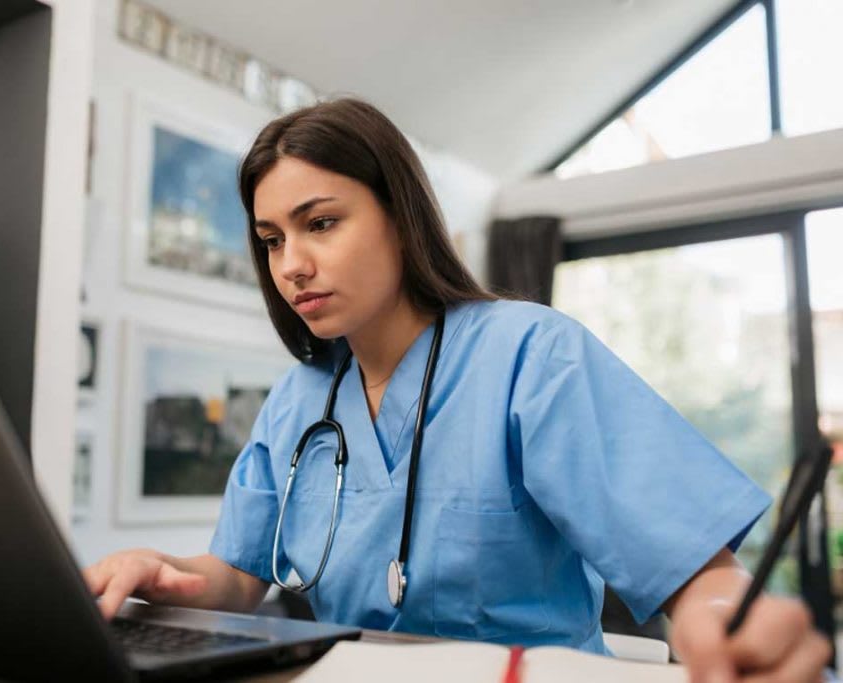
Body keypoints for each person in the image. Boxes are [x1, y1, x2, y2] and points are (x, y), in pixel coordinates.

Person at [83, 98, 832, 681]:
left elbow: (698, 574)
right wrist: (164, 575)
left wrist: (725, 624)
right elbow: (241, 580)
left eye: (321, 223)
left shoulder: (532, 356)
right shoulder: (298, 399)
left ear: (401, 222)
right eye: (273, 238)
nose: (293, 264)